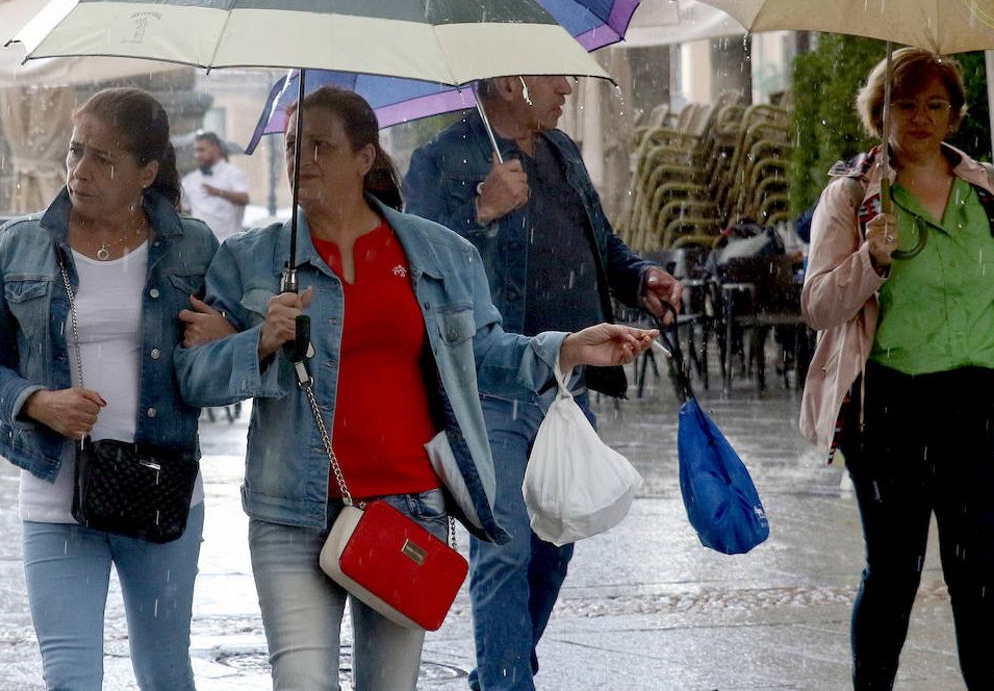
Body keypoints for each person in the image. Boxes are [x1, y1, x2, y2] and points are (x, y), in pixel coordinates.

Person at [174, 85, 657, 691]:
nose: (304, 161)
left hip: (407, 508)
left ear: (364, 158)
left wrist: (563, 346)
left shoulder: (438, 254)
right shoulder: (253, 258)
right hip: (290, 512)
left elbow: (482, 350)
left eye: (322, 147)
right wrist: (259, 342)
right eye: (295, 146)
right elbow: (194, 378)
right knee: (300, 681)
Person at [800, 48, 994, 690]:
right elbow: (817, 307)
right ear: (881, 114)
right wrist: (870, 259)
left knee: (979, 574)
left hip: (979, 407)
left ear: (955, 116)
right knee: (894, 573)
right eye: (905, 103)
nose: (921, 117)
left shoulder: (986, 189)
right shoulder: (851, 195)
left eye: (935, 105)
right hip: (890, 411)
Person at [402, 75, 682, 691]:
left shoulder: (562, 152)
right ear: (507, 81)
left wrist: (640, 278)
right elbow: (414, 263)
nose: (566, 87)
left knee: (557, 537)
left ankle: (500, 671)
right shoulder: (442, 158)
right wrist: (478, 211)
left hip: (567, 384)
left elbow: (600, 243)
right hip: (492, 386)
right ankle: (506, 681)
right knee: (505, 547)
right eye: (552, 74)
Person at [0, 87, 219, 690]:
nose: (80, 170)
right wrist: (36, 402)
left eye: (102, 159)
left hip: (161, 487)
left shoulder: (194, 246)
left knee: (164, 673)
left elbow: (226, 368)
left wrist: (230, 333)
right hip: (54, 490)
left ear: (146, 172)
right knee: (70, 677)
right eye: (76, 152)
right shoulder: (21, 243)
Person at [181, 130, 250, 241]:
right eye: (196, 151)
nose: (197, 155)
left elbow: (244, 199)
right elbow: (186, 211)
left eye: (202, 150)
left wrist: (219, 192)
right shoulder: (189, 179)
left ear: (216, 149)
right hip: (200, 245)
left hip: (229, 244)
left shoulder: (234, 174)